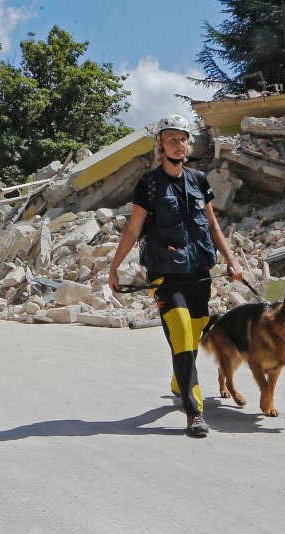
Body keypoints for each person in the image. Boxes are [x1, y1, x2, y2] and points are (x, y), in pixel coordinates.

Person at [108, 114, 243, 438]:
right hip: (165, 273)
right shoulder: (150, 184)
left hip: (198, 271)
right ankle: (195, 411)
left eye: (183, 139)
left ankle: (178, 379)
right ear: (160, 143)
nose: (179, 144)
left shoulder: (198, 180)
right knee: (182, 332)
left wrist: (232, 260)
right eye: (172, 139)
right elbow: (134, 228)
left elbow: (212, 225)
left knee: (195, 330)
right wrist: (114, 267)